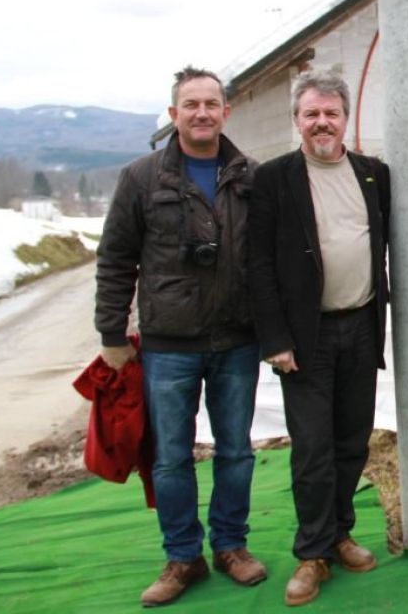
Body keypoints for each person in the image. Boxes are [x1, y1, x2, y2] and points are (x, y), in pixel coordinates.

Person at [95, 66, 266, 607]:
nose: (201, 113)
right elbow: (115, 259)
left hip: (237, 340)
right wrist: (111, 332)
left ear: (226, 113)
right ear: (174, 114)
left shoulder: (250, 176)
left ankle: (231, 546)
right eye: (191, 104)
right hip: (169, 344)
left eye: (211, 104)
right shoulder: (142, 178)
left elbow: (270, 257)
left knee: (236, 451)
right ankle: (183, 557)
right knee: (170, 457)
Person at [247, 69, 390, 607]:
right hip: (306, 337)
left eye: (331, 113)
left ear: (346, 119)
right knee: (312, 448)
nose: (322, 122)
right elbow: (259, 264)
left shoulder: (373, 175)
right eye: (312, 114)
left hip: (362, 325)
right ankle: (312, 554)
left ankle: (340, 534)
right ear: (297, 120)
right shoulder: (274, 179)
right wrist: (275, 339)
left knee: (352, 440)